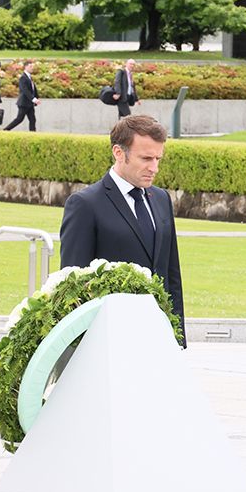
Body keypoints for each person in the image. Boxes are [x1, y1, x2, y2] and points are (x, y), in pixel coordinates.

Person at [60, 115, 185, 346]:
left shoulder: (161, 199)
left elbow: (171, 273)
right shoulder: (85, 204)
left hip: (158, 339)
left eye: (158, 158)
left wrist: (177, 338)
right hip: (107, 342)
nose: (154, 168)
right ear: (118, 153)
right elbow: (73, 285)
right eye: (146, 158)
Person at [3, 60, 40, 132]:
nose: (32, 68)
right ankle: (6, 130)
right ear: (26, 67)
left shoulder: (29, 77)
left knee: (32, 119)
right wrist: (33, 99)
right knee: (19, 119)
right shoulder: (23, 77)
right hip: (24, 103)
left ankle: (33, 134)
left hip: (29, 103)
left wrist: (36, 97)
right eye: (30, 66)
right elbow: (25, 90)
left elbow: (33, 88)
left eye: (32, 66)